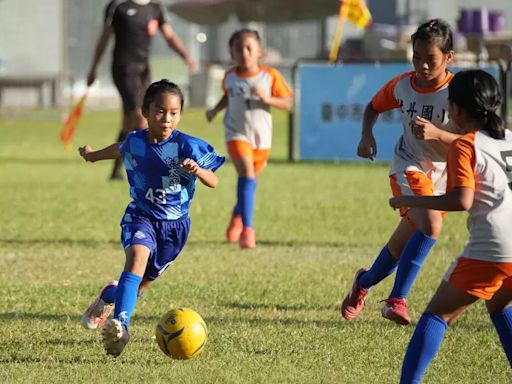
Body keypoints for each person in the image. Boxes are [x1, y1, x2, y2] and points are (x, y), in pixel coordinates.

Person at [78, 80, 225, 357]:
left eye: (174, 112)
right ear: (146, 111)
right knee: (135, 262)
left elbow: (214, 181)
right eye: (160, 111)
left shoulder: (188, 146)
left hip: (175, 228)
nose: (167, 118)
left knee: (141, 285)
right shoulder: (136, 141)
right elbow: (119, 148)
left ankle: (108, 295)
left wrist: (198, 171)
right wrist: (92, 156)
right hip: (141, 216)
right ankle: (120, 327)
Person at [389, 69, 512, 383]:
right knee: (500, 304)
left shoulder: (465, 146)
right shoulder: (509, 139)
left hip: (493, 248)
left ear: (455, 109)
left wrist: (414, 202)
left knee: (436, 315)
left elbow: (462, 199)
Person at [341, 19, 460, 325]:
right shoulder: (403, 85)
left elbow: (472, 140)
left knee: (401, 244)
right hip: (409, 165)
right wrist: (366, 136)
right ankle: (397, 300)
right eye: (416, 57)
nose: (421, 65)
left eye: (430, 59)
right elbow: (372, 107)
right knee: (431, 224)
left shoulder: (459, 93)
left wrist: (439, 135)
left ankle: (363, 284)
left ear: (449, 57)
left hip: (444, 175)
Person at [87, 0, 196, 180]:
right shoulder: (118, 6)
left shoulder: (155, 8)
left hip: (144, 70)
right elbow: (104, 37)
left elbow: (169, 36)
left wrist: (186, 56)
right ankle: (143, 169)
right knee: (141, 117)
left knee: (129, 121)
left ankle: (116, 171)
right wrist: (93, 69)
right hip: (123, 69)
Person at [205, 28, 293, 249]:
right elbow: (228, 95)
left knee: (249, 182)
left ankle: (237, 216)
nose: (243, 53)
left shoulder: (269, 76)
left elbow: (287, 103)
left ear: (259, 51)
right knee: (247, 174)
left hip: (261, 140)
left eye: (248, 48)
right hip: (236, 134)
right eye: (238, 49)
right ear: (231, 52)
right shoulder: (230, 76)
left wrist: (267, 99)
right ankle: (248, 230)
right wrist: (215, 110)